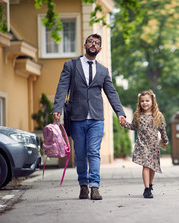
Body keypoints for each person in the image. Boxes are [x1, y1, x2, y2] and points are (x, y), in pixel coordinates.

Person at [52, 33, 126, 200]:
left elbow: (111, 93)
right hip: (76, 117)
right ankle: (83, 185)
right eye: (91, 42)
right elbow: (62, 87)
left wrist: (120, 113)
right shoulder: (71, 65)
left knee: (94, 152)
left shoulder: (103, 70)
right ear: (85, 45)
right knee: (80, 153)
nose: (93, 44)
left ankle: (94, 186)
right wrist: (57, 107)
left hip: (96, 118)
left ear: (100, 49)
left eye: (97, 43)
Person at [122, 90, 169, 198]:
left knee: (152, 167)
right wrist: (125, 124)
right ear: (139, 103)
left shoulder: (158, 115)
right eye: (142, 101)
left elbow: (162, 130)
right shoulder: (138, 115)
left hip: (153, 145)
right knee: (146, 166)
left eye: (147, 100)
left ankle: (150, 184)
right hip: (142, 145)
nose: (145, 103)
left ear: (153, 101)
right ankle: (147, 189)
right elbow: (133, 126)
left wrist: (165, 140)